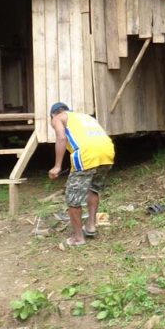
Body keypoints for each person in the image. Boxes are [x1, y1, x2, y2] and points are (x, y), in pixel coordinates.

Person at [48, 102, 115, 247]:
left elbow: (61, 138)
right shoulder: (85, 117)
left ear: (54, 114)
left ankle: (78, 238)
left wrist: (57, 166)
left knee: (73, 198)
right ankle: (90, 226)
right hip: (107, 152)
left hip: (86, 155)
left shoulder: (58, 117)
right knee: (93, 188)